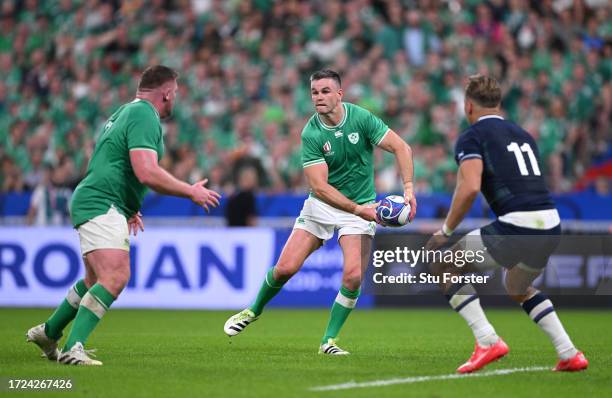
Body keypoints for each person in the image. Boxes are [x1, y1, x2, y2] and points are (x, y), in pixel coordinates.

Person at [26, 65, 221, 366]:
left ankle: (49, 332)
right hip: (102, 202)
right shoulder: (145, 114)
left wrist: (130, 205)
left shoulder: (124, 112)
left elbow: (111, 161)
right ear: (167, 93)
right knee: (116, 275)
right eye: (177, 93)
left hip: (99, 199)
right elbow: (146, 171)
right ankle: (73, 346)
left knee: (94, 280)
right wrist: (189, 191)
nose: (176, 98)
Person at [224, 69, 417, 355]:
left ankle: (328, 341)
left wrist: (409, 190)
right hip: (323, 206)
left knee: (352, 276)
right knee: (285, 269)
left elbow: (401, 147)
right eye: (315, 92)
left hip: (360, 207)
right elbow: (320, 186)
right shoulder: (311, 132)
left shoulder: (361, 118)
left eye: (325, 91)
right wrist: (357, 209)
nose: (319, 97)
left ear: (340, 94)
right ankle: (252, 310)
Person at [425, 75, 588, 373]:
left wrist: (444, 230)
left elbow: (470, 187)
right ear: (498, 104)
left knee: (444, 265)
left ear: (468, 106)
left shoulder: (472, 136)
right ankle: (569, 352)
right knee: (516, 286)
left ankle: (487, 341)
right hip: (550, 223)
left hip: (519, 225)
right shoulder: (523, 134)